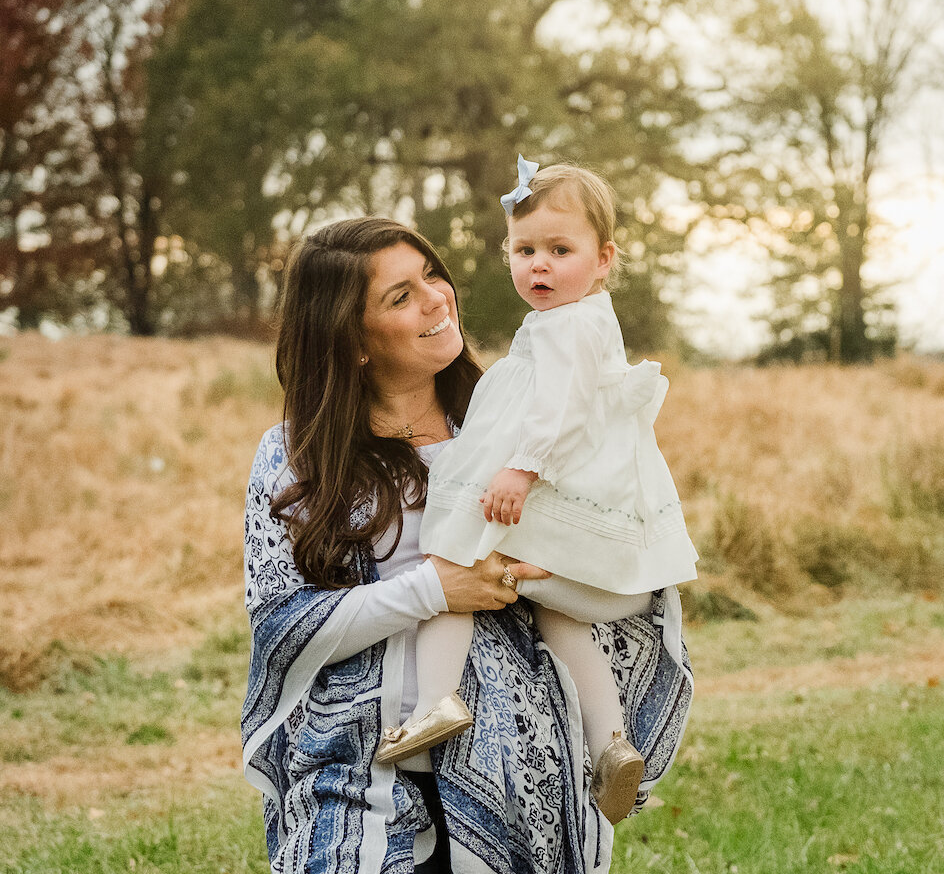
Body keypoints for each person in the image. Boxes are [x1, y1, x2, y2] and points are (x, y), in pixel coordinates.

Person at [241, 217, 694, 874]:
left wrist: (563, 567)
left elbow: (628, 543)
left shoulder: (526, 430)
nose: (437, 297)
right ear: (354, 341)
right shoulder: (295, 460)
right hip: (357, 766)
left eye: (432, 274)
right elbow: (282, 625)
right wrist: (436, 589)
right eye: (400, 296)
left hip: (518, 766)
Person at [373, 158, 698, 826]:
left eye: (560, 250)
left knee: (454, 564)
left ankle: (435, 702)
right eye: (524, 252)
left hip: (544, 496)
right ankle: (610, 744)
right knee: (563, 620)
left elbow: (563, 413)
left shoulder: (571, 326)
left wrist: (520, 468)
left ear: (603, 259)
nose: (539, 267)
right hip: (570, 509)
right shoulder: (574, 322)